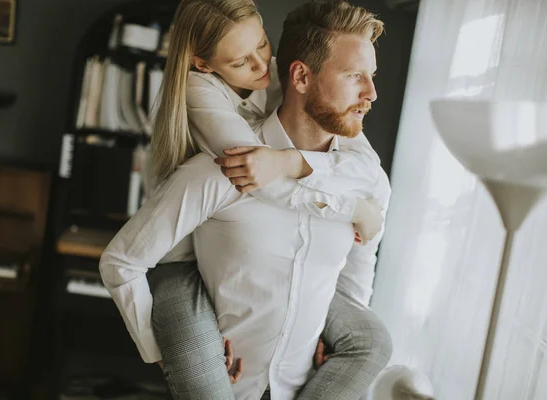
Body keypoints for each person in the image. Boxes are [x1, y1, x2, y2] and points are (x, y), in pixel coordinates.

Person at [101, 1, 392, 399]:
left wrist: (336, 335)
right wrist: (164, 352)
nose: (372, 93)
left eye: (371, 76)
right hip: (231, 384)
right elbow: (122, 261)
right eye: (354, 76)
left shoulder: (366, 181)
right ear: (301, 76)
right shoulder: (220, 168)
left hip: (307, 383)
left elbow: (356, 275)